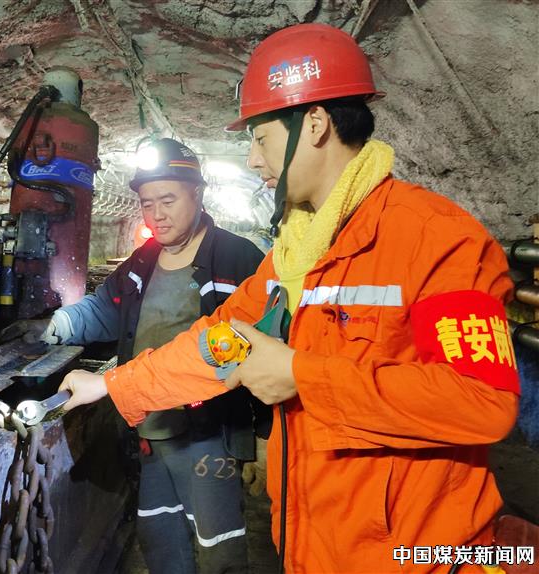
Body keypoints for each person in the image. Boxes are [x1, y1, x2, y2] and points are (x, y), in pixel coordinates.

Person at [58, 23, 520, 573]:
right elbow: (217, 341)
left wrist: (302, 375)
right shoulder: (293, 256)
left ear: (315, 125)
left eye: (261, 138)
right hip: (309, 541)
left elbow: (483, 402)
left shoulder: (439, 238)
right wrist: (113, 384)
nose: (254, 160)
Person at [12, 138, 264, 574]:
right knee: (160, 535)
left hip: (209, 435)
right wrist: (55, 325)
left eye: (168, 200)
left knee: (218, 546)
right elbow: (104, 309)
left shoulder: (238, 258)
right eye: (147, 204)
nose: (157, 214)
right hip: (150, 425)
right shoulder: (143, 261)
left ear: (197, 194)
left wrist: (261, 438)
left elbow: (263, 350)